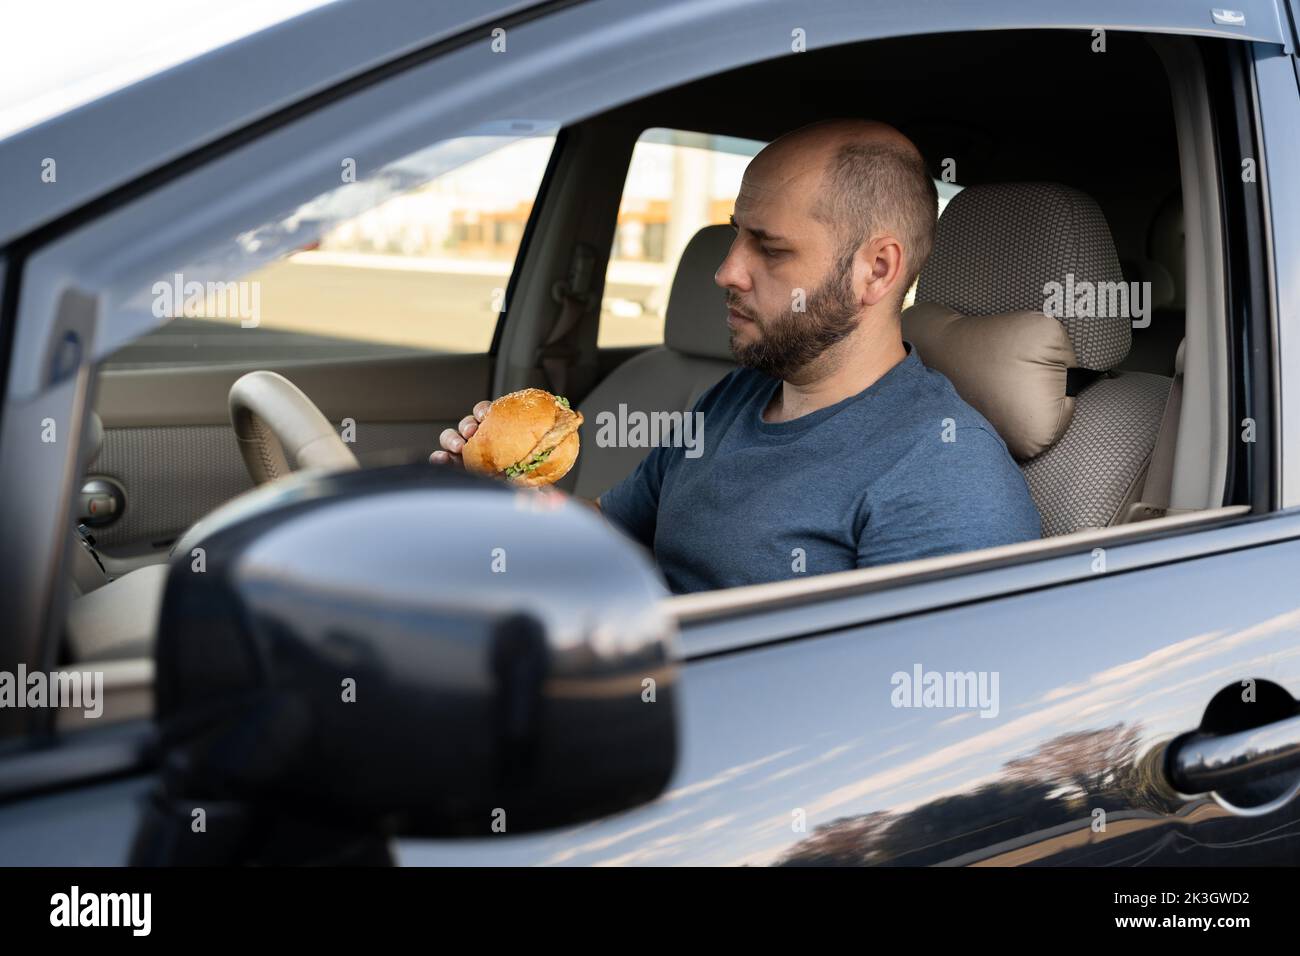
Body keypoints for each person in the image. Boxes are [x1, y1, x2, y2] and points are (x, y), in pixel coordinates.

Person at [432, 119, 1041, 593]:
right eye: (735, 234)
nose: (726, 270)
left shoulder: (944, 477)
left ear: (875, 270)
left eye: (770, 249)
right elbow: (616, 529)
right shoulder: (740, 393)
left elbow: (904, 730)